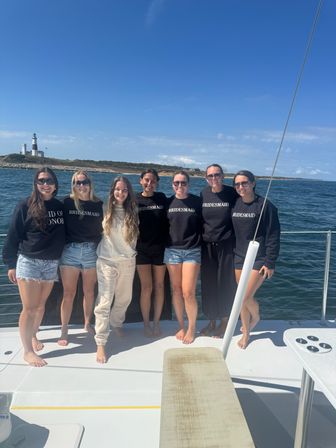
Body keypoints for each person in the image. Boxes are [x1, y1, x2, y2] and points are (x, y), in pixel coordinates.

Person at [2, 167, 65, 367]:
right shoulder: (25, 205)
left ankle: (34, 336)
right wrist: (11, 264)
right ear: (36, 184)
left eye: (49, 180)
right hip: (29, 262)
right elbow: (13, 236)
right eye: (41, 181)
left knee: (40, 306)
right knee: (29, 309)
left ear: (55, 184)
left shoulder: (60, 206)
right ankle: (27, 351)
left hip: (51, 263)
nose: (45, 184)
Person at [232, 170, 280, 349]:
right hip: (239, 255)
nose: (241, 187)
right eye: (237, 184)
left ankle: (256, 318)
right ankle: (246, 329)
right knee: (240, 297)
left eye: (244, 183)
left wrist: (270, 261)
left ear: (253, 183)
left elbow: (274, 235)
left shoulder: (265, 205)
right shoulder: (235, 203)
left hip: (258, 258)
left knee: (243, 297)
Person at [94, 176, 139, 363]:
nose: (120, 193)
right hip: (106, 261)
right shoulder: (104, 209)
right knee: (104, 302)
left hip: (128, 261)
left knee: (124, 299)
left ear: (128, 192)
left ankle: (116, 323)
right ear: (112, 191)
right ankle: (101, 343)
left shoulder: (133, 211)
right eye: (117, 189)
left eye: (124, 190)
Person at [58, 171, 103, 346]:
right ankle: (64, 330)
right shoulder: (66, 202)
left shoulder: (98, 204)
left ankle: (87, 323)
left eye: (84, 182)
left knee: (89, 292)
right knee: (68, 293)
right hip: (70, 251)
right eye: (77, 183)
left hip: (92, 251)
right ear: (73, 185)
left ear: (90, 184)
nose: (81, 186)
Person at [200, 164, 238, 337]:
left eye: (217, 175)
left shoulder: (232, 193)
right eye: (210, 176)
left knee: (225, 284)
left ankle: (224, 322)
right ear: (206, 178)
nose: (213, 178)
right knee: (208, 285)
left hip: (226, 246)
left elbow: (250, 202)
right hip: (207, 247)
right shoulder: (204, 194)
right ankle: (211, 320)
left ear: (223, 176)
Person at [164, 171, 202, 344]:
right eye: (176, 183)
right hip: (172, 251)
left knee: (188, 292)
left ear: (189, 184)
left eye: (183, 183)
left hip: (192, 250)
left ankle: (192, 327)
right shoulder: (167, 202)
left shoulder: (197, 202)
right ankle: (181, 325)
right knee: (176, 290)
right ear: (172, 184)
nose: (180, 186)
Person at [136, 169, 168, 337]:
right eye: (147, 180)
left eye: (153, 181)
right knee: (146, 287)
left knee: (160, 286)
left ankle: (156, 323)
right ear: (141, 180)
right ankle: (146, 324)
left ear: (157, 183)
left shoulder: (162, 198)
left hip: (160, 249)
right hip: (141, 250)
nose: (150, 183)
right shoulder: (134, 199)